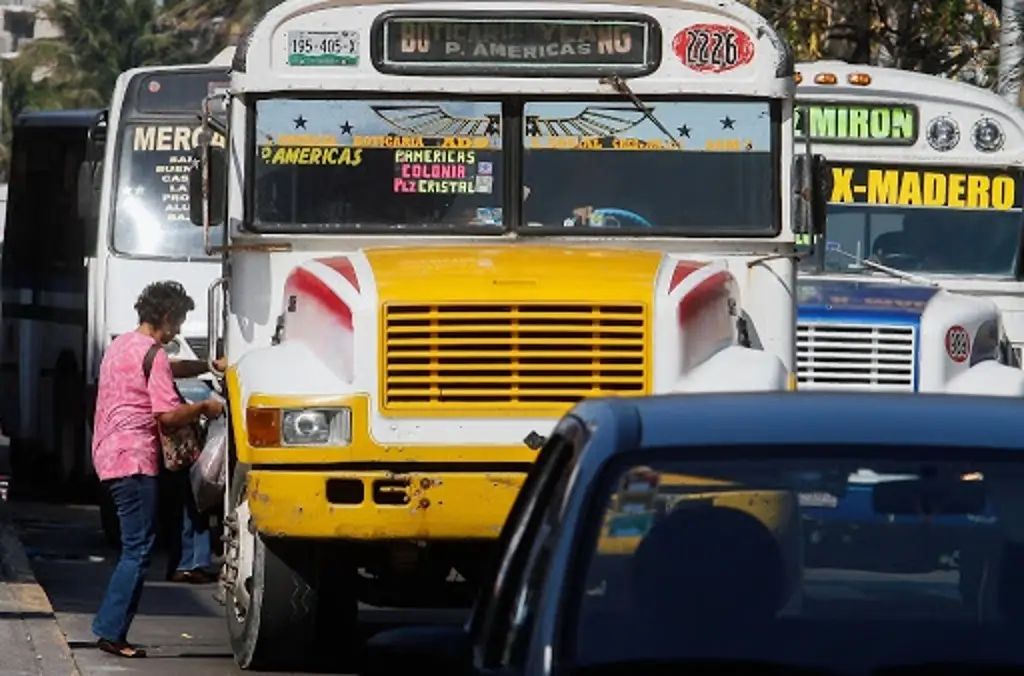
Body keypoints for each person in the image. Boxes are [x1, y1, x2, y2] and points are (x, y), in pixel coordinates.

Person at [91, 281, 225, 659]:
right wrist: (203, 408)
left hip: (108, 454)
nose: (180, 329)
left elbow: (164, 367)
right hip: (135, 459)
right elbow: (166, 416)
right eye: (179, 321)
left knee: (135, 545)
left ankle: (109, 627)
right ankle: (112, 631)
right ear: (165, 317)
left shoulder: (120, 346)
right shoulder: (154, 354)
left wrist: (206, 366)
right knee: (139, 548)